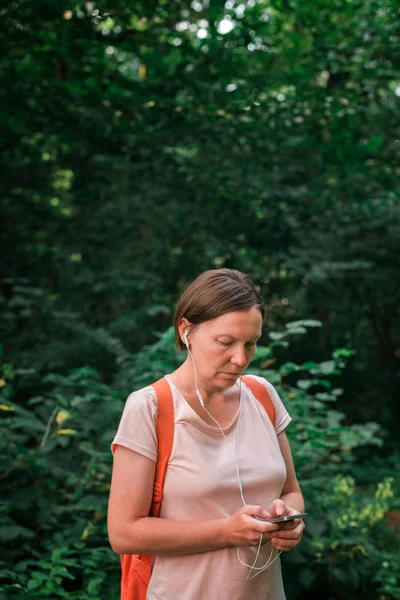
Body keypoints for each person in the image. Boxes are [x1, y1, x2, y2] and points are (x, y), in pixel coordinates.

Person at [108, 268, 305, 600]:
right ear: (186, 330)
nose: (241, 358)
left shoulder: (262, 396)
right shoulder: (150, 407)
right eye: (225, 342)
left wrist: (291, 520)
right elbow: (124, 533)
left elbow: (291, 491)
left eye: (251, 343)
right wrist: (227, 532)